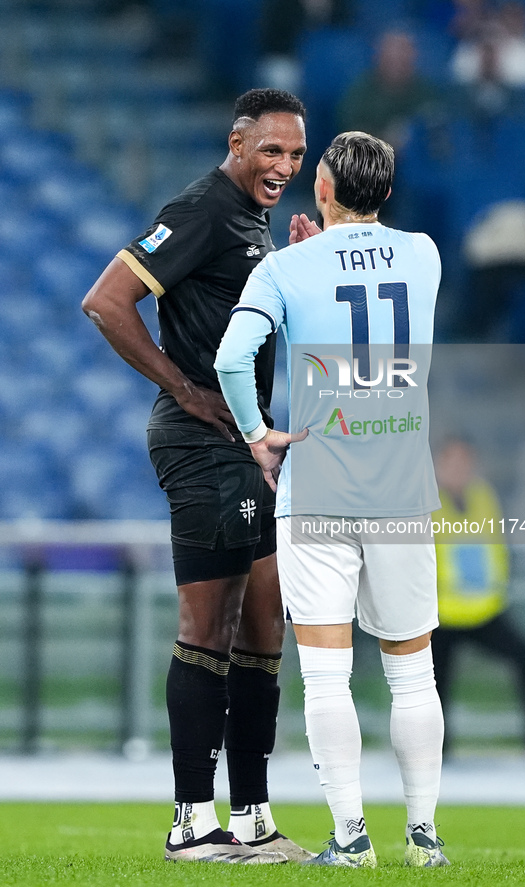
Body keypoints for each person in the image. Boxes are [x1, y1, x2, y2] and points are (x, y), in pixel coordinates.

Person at [82, 88, 314, 864]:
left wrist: (299, 263)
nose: (283, 165)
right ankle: (190, 821)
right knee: (207, 627)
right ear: (237, 141)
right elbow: (106, 301)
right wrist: (182, 387)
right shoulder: (204, 208)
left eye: (294, 154)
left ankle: (249, 817)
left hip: (241, 444)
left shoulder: (253, 222)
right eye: (271, 150)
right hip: (200, 440)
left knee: (262, 624)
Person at [215, 131, 449, 868]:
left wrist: (256, 433)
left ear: (322, 187)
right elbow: (367, 281)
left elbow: (230, 355)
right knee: (412, 670)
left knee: (325, 672)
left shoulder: (286, 266)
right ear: (383, 191)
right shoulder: (424, 254)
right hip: (403, 486)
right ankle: (423, 837)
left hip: (318, 486)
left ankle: (350, 837)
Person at [431, 437, 525, 756]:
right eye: (452, 463)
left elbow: (496, 546)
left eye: (465, 463)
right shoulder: (424, 502)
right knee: (433, 687)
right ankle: (433, 750)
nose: (459, 471)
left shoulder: (483, 496)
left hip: (484, 608)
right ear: (438, 466)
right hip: (439, 612)